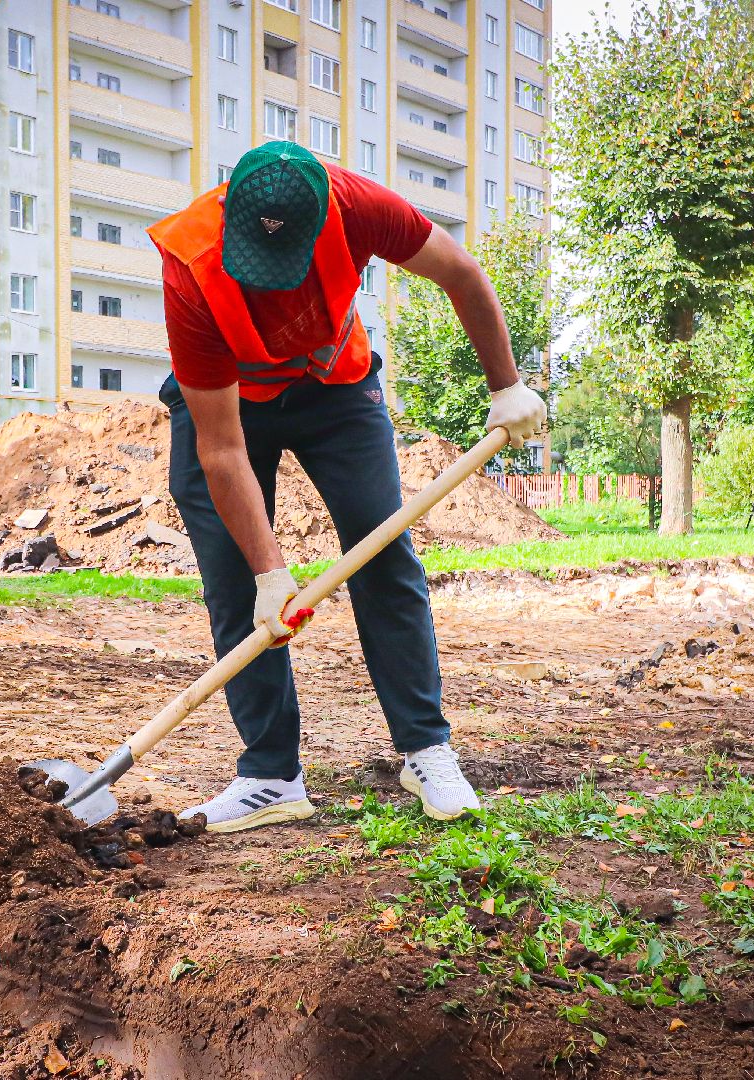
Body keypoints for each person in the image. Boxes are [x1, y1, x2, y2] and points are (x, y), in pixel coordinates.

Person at [146, 142, 545, 833]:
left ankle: (425, 749)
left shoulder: (359, 206)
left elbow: (461, 273)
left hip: (336, 389)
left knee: (385, 553)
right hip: (230, 405)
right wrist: (272, 573)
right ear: (229, 214)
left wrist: (505, 385)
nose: (269, 286)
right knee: (237, 579)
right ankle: (270, 776)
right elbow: (222, 447)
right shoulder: (191, 264)